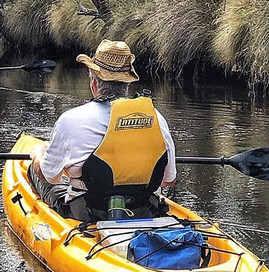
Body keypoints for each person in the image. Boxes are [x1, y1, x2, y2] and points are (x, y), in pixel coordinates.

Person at [29, 39, 177, 222]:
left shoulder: (70, 120)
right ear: (127, 84)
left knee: (34, 170)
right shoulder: (157, 119)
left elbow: (49, 176)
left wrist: (38, 155)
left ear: (94, 82)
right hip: (143, 207)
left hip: (88, 213)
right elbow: (168, 180)